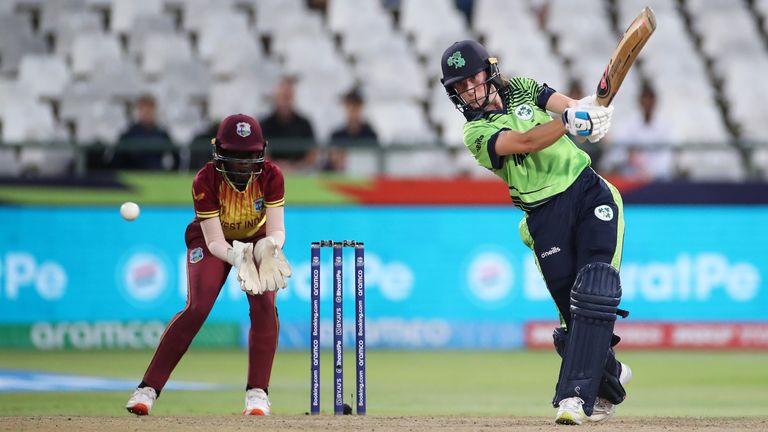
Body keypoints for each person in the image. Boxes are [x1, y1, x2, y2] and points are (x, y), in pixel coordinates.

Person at [440, 40, 631, 425]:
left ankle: (573, 398)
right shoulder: (474, 132)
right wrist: (568, 123)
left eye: (473, 78)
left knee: (596, 287)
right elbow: (525, 141)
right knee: (573, 321)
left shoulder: (523, 88)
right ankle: (611, 376)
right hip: (544, 215)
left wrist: (587, 113)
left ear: (489, 71)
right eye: (459, 87)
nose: (469, 90)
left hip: (587, 190)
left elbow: (568, 106)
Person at [125, 114, 292, 416]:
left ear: (261, 153)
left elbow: (277, 229)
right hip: (211, 241)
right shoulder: (205, 180)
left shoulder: (272, 175)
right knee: (198, 308)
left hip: (256, 239)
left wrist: (271, 245)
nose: (243, 165)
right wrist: (237, 257)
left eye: (249, 157)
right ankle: (147, 389)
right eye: (235, 157)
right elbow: (215, 241)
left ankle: (257, 394)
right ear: (219, 153)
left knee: (265, 306)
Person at [607, 82, 674, 180]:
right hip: (632, 178)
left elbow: (667, 156)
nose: (647, 102)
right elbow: (618, 153)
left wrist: (651, 172)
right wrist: (629, 156)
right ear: (640, 101)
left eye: (650, 98)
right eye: (645, 98)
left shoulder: (665, 125)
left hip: (658, 178)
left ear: (655, 101)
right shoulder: (628, 125)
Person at [260, 77, 317, 171]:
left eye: (288, 97)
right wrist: (277, 166)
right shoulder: (264, 124)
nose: (285, 101)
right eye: (282, 96)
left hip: (300, 175)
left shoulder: (304, 124)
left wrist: (294, 167)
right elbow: (258, 154)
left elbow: (312, 154)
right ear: (275, 97)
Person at [113, 94, 176, 170]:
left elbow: (175, 155)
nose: (147, 114)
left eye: (150, 111)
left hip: (156, 177)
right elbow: (118, 159)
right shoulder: (129, 133)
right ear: (138, 111)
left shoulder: (162, 133)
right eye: (144, 110)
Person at [326, 88, 379, 172]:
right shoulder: (336, 135)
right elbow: (331, 161)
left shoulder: (370, 134)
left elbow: (374, 160)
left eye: (356, 106)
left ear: (361, 108)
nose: (352, 110)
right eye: (349, 106)